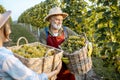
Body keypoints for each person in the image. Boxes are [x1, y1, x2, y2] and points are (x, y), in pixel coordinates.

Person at [0, 11, 62, 80]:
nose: (10, 31)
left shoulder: (4, 52)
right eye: (8, 26)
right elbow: (34, 78)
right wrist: (55, 72)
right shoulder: (7, 59)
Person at [39, 7, 78, 80]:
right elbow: (43, 51)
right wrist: (58, 57)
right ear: (50, 20)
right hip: (52, 68)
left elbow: (79, 38)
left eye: (61, 20)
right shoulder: (44, 32)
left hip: (67, 68)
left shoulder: (66, 30)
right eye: (57, 19)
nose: (60, 22)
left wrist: (88, 44)